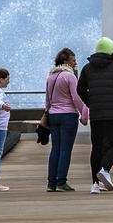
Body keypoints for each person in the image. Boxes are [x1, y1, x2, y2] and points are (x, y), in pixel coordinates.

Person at [77, 37, 113, 194]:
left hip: (96, 115)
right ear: (112, 52)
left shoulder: (87, 68)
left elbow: (80, 90)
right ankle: (104, 170)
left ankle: (95, 185)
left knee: (96, 148)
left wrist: (90, 103)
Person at [45, 47, 89, 192]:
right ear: (66, 61)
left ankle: (51, 183)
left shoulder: (50, 76)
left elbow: (48, 100)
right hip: (68, 116)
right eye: (73, 60)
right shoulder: (70, 76)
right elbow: (77, 98)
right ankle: (61, 181)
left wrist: (48, 113)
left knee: (55, 149)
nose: (75, 63)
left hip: (53, 115)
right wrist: (84, 114)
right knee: (65, 149)